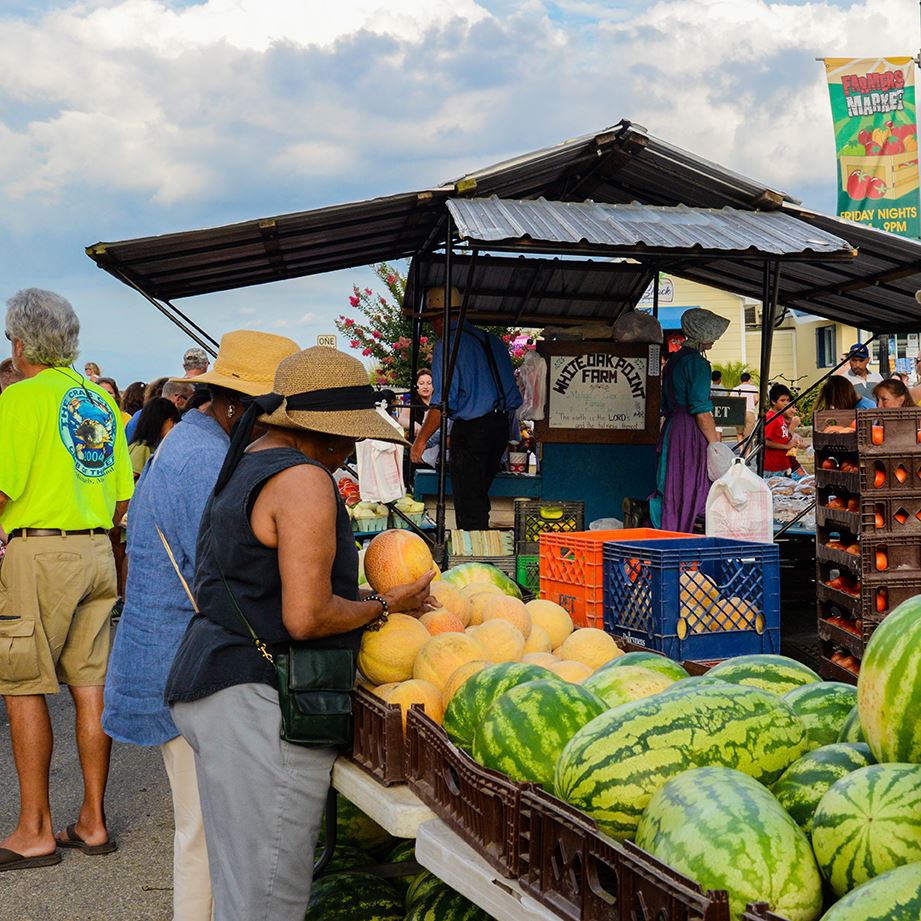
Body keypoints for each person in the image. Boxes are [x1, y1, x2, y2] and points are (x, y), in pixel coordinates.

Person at [165, 346, 434, 921]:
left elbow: (270, 589)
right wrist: (384, 603)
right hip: (259, 701)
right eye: (349, 441)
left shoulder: (251, 458)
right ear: (331, 434)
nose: (348, 454)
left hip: (214, 681)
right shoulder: (305, 480)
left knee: (242, 885)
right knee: (268, 899)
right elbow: (305, 617)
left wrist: (364, 603)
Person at [104, 330, 299, 921]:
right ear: (238, 406)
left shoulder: (198, 443)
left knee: (204, 829)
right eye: (271, 415)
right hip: (185, 665)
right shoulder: (202, 459)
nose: (275, 430)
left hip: (179, 659)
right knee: (204, 835)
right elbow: (219, 571)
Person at [0, 289, 134, 872]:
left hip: (40, 552)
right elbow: (123, 495)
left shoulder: (21, 399)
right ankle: (93, 820)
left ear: (21, 340)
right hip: (97, 549)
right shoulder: (97, 400)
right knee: (89, 682)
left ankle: (34, 830)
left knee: (23, 683)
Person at [410, 287, 522, 530]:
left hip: (473, 429)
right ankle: (481, 549)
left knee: (470, 504)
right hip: (499, 427)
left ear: (439, 319)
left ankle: (475, 560)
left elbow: (441, 403)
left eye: (431, 320)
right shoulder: (491, 341)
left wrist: (420, 442)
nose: (432, 326)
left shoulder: (447, 344)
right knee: (478, 497)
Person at [649, 308, 729, 532]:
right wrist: (715, 445)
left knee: (671, 484)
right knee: (690, 485)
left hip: (673, 429)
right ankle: (682, 534)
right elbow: (701, 410)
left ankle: (667, 528)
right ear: (704, 334)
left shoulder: (674, 360)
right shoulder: (697, 363)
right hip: (689, 431)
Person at [398, 367, 444, 467]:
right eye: (421, 383)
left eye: (429, 383)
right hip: (417, 444)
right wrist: (417, 427)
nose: (425, 386)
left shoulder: (439, 402)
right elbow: (402, 419)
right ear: (416, 386)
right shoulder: (412, 403)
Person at [128, 397, 181, 479]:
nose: (174, 426)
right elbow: (129, 478)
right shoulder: (142, 448)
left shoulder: (148, 446)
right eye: (172, 421)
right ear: (161, 421)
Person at [763, 383, 808, 476]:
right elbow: (765, 441)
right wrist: (786, 446)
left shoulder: (779, 417)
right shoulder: (771, 418)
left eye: (787, 400)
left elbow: (782, 436)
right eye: (782, 400)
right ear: (773, 402)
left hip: (782, 466)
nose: (786, 403)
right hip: (773, 469)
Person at [732, 371, 759, 441]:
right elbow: (756, 399)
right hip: (750, 411)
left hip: (738, 413)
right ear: (749, 380)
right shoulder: (753, 388)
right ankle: (747, 452)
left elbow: (731, 400)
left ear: (741, 380)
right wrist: (752, 404)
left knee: (739, 433)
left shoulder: (735, 389)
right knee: (749, 436)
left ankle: (741, 450)